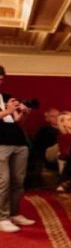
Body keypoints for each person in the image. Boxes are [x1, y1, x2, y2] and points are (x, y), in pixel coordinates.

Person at [0, 89, 34, 232]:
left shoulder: (6, 97)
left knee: (18, 181)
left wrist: (22, 114)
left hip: (19, 142)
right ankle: (2, 218)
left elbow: (15, 123)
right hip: (1, 144)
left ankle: (14, 214)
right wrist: (8, 111)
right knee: (3, 181)